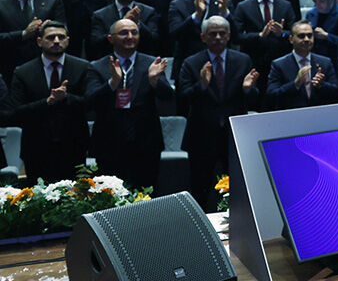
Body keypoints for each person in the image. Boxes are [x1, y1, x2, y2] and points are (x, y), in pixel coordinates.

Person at [178, 15, 258, 210]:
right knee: (199, 189)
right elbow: (182, 98)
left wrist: (248, 89)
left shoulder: (242, 60)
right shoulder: (191, 62)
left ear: (229, 36)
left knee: (236, 189)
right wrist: (202, 85)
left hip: (233, 136)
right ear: (203, 37)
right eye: (212, 34)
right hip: (202, 136)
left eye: (222, 33)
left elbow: (254, 98)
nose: (218, 38)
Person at [9, 21, 99, 184]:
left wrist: (66, 98)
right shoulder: (23, 72)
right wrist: (47, 102)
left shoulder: (83, 67)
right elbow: (16, 113)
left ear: (68, 40)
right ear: (39, 41)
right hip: (36, 148)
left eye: (61, 37)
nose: (56, 41)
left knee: (76, 201)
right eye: (51, 37)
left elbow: (91, 105)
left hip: (74, 147)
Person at [89, 18, 172, 190]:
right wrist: (113, 82)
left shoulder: (152, 63)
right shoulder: (97, 66)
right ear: (111, 38)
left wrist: (154, 80)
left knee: (146, 196)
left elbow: (168, 97)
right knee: (111, 198)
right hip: (109, 143)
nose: (130, 36)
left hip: (146, 142)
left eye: (134, 32)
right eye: (123, 32)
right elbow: (90, 102)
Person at [0, 0, 67, 82]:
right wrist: (23, 34)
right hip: (10, 66)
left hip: (46, 65)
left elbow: (64, 29)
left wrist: (48, 29)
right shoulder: (1, 3)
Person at [89, 0, 161, 60]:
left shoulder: (148, 12)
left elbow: (154, 42)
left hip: (141, 62)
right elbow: (95, 45)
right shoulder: (100, 15)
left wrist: (138, 23)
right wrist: (121, 23)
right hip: (109, 61)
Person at [266, 20, 338, 110]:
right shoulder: (279, 65)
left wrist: (321, 85)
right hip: (291, 116)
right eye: (301, 36)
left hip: (320, 114)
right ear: (291, 39)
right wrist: (295, 84)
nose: (307, 39)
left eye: (310, 35)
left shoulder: (325, 62)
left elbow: (337, 92)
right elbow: (272, 95)